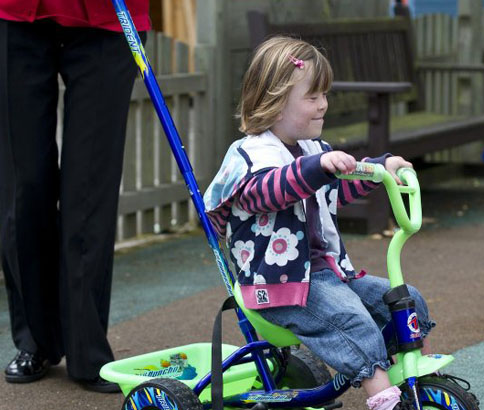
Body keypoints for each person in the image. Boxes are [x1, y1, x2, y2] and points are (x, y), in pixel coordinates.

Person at [204, 36, 435, 410]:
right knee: (353, 322)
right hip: (279, 286)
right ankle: (387, 401)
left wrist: (381, 166)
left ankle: (413, 379)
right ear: (275, 104)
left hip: (325, 276)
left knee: (407, 302)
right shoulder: (250, 158)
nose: (323, 104)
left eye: (324, 94)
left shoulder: (314, 149)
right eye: (312, 97)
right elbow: (270, 192)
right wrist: (317, 168)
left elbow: (338, 190)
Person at [0, 1, 149, 393]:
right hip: (16, 17)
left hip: (109, 20)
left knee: (89, 193)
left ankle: (87, 352)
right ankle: (35, 340)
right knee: (24, 185)